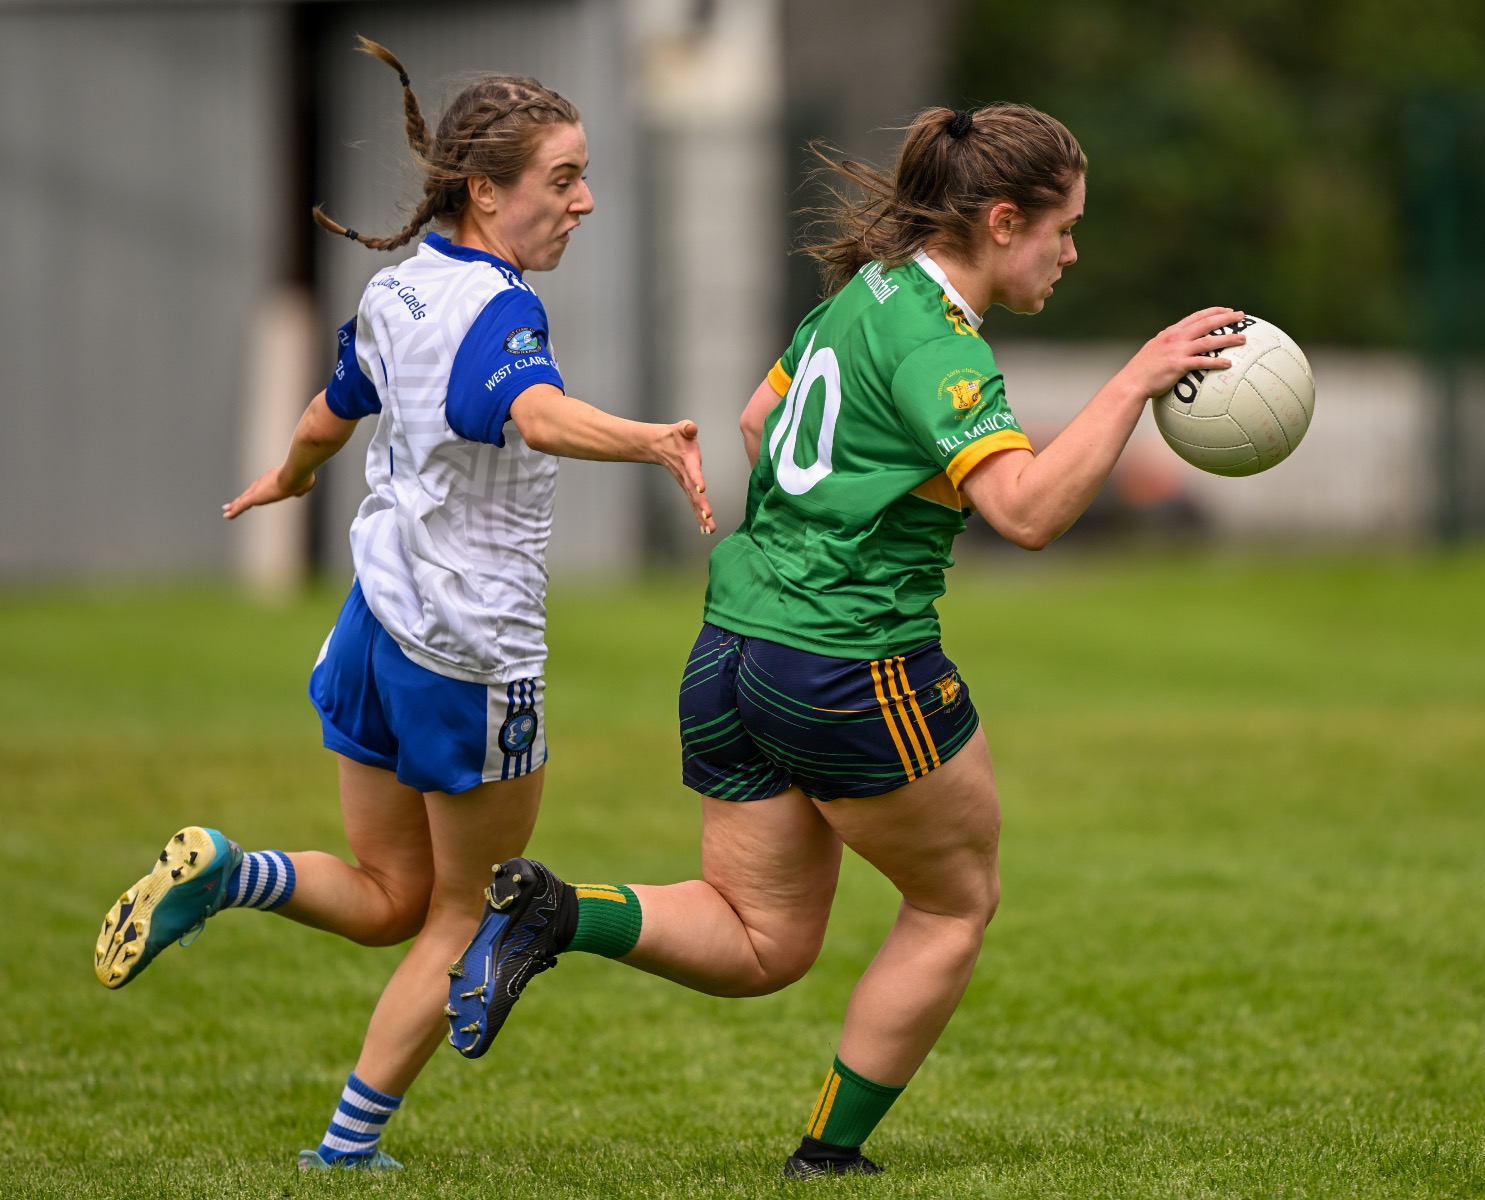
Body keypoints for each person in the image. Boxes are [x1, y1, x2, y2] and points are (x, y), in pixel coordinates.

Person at [441, 102, 1248, 1179]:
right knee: (955, 903)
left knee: (761, 938)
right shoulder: (939, 345)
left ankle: (555, 911)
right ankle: (828, 1158)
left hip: (732, 648)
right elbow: (1026, 512)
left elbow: (756, 422)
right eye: (1064, 229)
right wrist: (1135, 381)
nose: (1071, 253)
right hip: (851, 663)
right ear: (1004, 222)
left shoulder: (862, 296)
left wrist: (846, 505)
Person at [92, 37, 714, 1172]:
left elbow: (331, 412)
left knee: (390, 899)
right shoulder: (501, 309)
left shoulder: (397, 287)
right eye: (564, 179)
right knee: (465, 913)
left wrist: (290, 477)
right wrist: (652, 440)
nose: (585, 201)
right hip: (468, 656)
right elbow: (532, 413)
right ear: (487, 191)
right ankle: (345, 1152)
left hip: (373, 627)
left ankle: (231, 872)